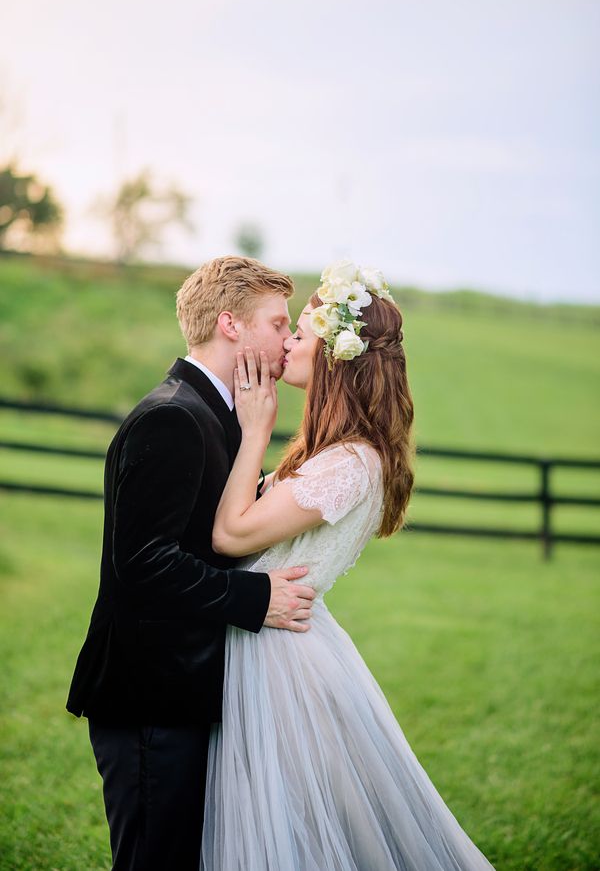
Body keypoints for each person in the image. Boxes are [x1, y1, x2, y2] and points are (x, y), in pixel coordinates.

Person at [201, 260, 497, 870]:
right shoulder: (332, 451)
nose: (286, 343)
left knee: (294, 828)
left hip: (279, 660)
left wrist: (253, 430)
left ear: (337, 358)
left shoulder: (349, 464)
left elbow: (231, 536)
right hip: (274, 638)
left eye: (301, 336)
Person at [66, 256, 317, 871]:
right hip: (150, 696)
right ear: (231, 325)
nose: (288, 339)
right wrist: (257, 599)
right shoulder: (173, 416)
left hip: (184, 690)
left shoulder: (222, 414)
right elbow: (144, 562)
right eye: (279, 323)